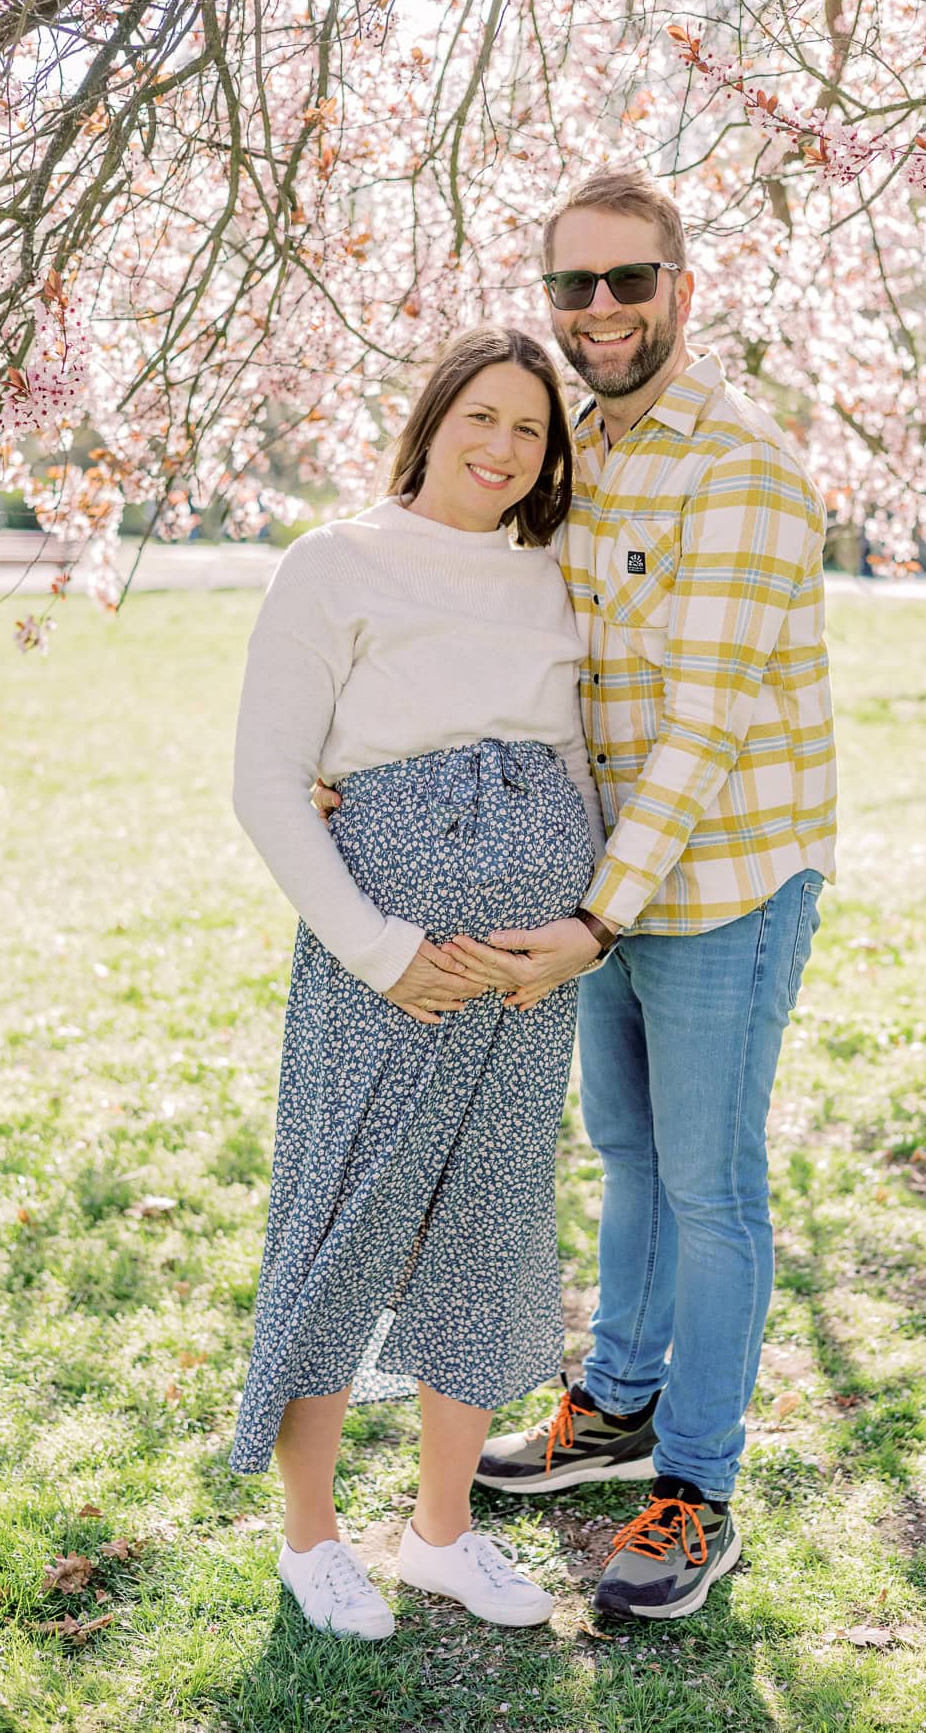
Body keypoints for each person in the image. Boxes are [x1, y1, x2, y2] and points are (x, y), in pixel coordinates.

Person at [448, 167, 838, 1621]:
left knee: (712, 1187)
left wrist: (595, 917)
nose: (598, 312)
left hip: (718, 880)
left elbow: (702, 727)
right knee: (627, 1153)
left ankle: (695, 1489)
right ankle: (612, 1406)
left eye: (626, 283)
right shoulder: (572, 449)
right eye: (572, 287)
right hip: (600, 879)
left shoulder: (738, 465)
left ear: (682, 290)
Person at [230, 325, 610, 1639]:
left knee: (489, 1237)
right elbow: (269, 783)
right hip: (378, 966)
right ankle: (313, 1537)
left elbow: (572, 761)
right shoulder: (332, 564)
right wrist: (382, 953)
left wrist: (569, 925)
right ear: (434, 416)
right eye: (483, 417)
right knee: (344, 1228)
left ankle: (442, 1535)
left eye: (530, 430)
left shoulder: (550, 584)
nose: (504, 448)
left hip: (522, 980)